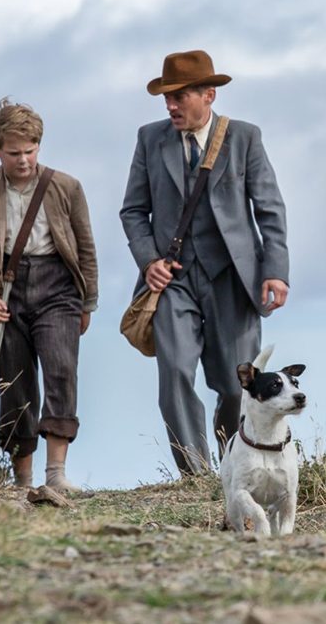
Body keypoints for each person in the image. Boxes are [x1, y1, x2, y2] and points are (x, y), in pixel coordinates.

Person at [120, 50, 291, 475]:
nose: (171, 105)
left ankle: (231, 462)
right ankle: (195, 474)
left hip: (232, 279)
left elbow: (270, 209)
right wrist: (148, 262)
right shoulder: (149, 138)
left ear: (209, 95)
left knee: (237, 387)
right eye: (167, 97)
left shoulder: (244, 137)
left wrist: (275, 270)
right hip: (172, 282)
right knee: (175, 372)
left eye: (180, 96)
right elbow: (133, 212)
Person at [0, 98, 98, 496]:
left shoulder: (66, 186)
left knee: (61, 371)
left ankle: (56, 475)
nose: (24, 160)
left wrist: (88, 303)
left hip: (58, 287)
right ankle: (22, 481)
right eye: (14, 152)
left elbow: (86, 248)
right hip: (3, 295)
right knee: (14, 384)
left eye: (30, 151)